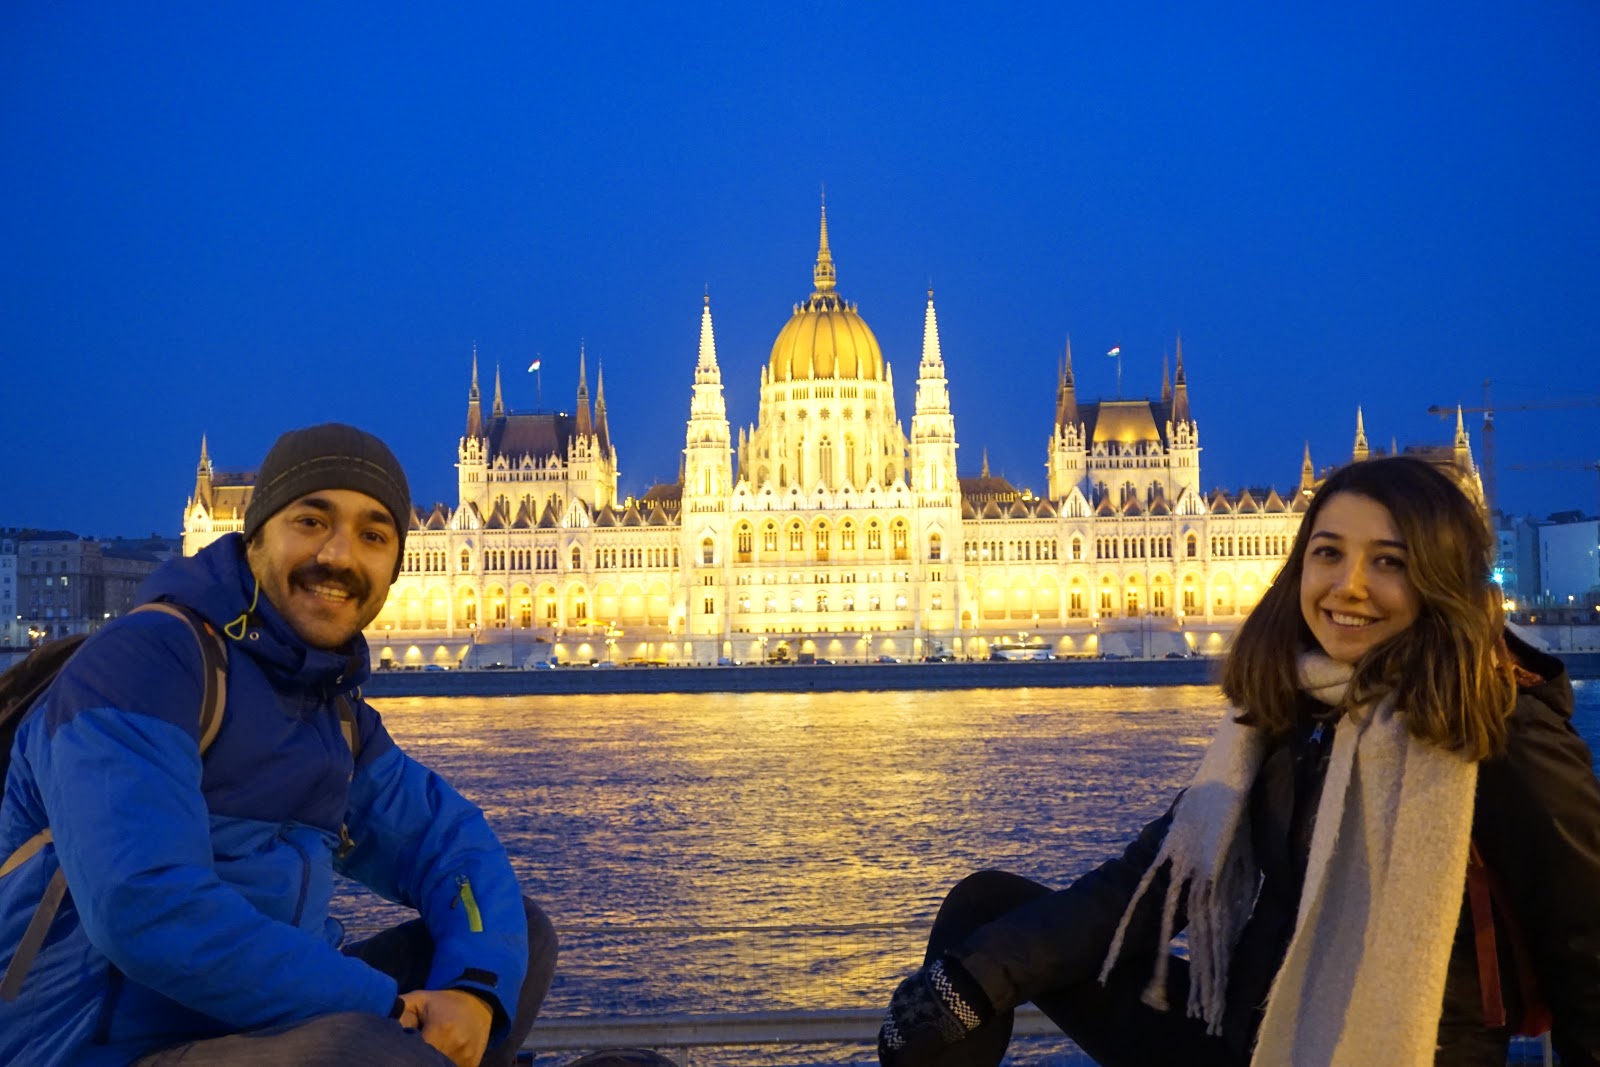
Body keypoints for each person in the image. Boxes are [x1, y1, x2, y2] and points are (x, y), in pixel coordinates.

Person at [878, 455, 1600, 1066]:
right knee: (982, 919)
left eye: (1389, 560)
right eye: (1329, 552)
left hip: (1394, 1046)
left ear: (1439, 578)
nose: (1348, 585)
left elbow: (1587, 950)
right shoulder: (1287, 711)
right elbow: (1148, 885)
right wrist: (970, 984)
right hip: (1255, 1035)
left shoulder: (1497, 719)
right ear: (1300, 567)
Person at [0, 423, 557, 1067]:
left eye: (373, 536)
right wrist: (386, 1009)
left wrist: (473, 991)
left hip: (262, 1022)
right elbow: (145, 906)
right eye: (312, 521)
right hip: (102, 1045)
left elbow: (448, 846)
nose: (341, 557)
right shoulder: (146, 664)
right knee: (364, 1049)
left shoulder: (327, 703)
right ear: (254, 532)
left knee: (516, 941)